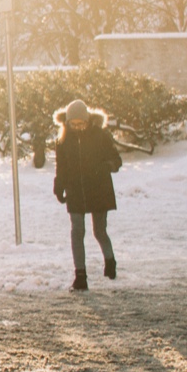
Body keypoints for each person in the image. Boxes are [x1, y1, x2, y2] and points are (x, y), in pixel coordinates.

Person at [52, 99, 121, 291]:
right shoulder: (63, 139)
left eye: (80, 124)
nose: (77, 128)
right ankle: (80, 275)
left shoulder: (100, 135)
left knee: (99, 231)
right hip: (75, 189)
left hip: (98, 189)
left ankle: (110, 260)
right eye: (73, 124)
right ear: (67, 123)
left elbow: (116, 159)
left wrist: (107, 166)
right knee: (77, 231)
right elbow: (61, 166)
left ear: (88, 121)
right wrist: (59, 186)